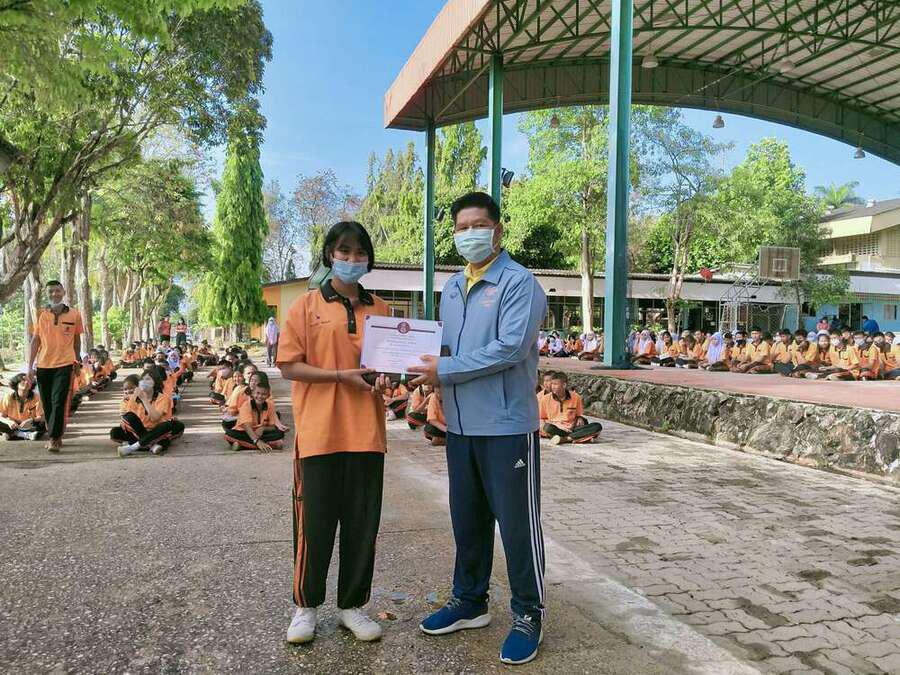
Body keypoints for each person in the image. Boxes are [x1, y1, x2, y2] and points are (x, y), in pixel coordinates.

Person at [408, 191, 547, 666]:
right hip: (460, 424)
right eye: (462, 227)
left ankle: (528, 613)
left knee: (517, 525)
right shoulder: (451, 287)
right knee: (467, 519)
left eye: (478, 225)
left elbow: (510, 349)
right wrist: (415, 364)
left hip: (506, 426)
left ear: (498, 230)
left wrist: (444, 370)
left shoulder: (519, 283)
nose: (470, 234)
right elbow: (446, 348)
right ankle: (470, 600)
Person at [277, 221, 392, 645]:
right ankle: (305, 607)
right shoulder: (305, 306)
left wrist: (388, 378)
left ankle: (352, 606)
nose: (351, 259)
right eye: (344, 251)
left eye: (360, 252)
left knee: (362, 524)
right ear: (329, 255)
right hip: (318, 433)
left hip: (366, 434)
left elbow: (386, 366)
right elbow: (289, 366)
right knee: (315, 525)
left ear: (369, 259)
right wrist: (341, 376)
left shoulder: (381, 309)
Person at [26, 280, 83, 453]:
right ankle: (55, 435)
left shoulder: (74, 314)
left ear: (63, 292)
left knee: (58, 401)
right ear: (47, 293)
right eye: (50, 291)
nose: (54, 294)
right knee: (47, 403)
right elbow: (35, 340)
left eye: (57, 290)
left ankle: (54, 438)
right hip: (43, 365)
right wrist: (30, 367)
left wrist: (77, 361)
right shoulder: (40, 314)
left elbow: (77, 340)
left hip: (65, 364)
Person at [111, 367, 184, 456]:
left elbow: (155, 418)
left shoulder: (163, 398)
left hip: (156, 429)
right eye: (142, 380)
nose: (144, 382)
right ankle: (152, 445)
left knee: (171, 425)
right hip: (139, 430)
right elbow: (128, 418)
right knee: (115, 431)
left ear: (155, 382)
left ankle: (133, 446)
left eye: (148, 379)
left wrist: (144, 399)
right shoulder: (134, 397)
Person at [224, 372, 287, 451]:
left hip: (260, 432)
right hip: (245, 431)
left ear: (268, 395)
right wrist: (257, 441)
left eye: (263, 394)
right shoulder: (246, 405)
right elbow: (247, 427)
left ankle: (243, 445)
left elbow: (273, 426)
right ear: (252, 394)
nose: (260, 396)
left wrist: (263, 428)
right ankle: (264, 444)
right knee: (229, 434)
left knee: (280, 433)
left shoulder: (269, 405)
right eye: (257, 393)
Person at [538, 371, 601, 445]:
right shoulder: (545, 399)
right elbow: (541, 418)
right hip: (556, 428)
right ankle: (578, 436)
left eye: (555, 384)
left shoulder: (576, 397)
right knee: (547, 428)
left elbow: (578, 415)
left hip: (572, 428)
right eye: (552, 384)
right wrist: (557, 425)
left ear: (564, 385)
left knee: (597, 426)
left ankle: (566, 438)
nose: (552, 387)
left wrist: (579, 418)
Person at [0, 373, 46, 441]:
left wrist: (32, 420)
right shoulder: (8, 397)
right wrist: (9, 422)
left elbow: (42, 417)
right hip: (13, 425)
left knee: (45, 424)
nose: (27, 382)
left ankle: (12, 434)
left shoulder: (37, 397)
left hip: (30, 425)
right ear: (16, 384)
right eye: (23, 380)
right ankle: (24, 435)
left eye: (29, 380)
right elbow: (1, 416)